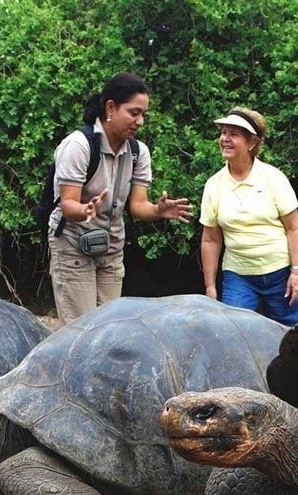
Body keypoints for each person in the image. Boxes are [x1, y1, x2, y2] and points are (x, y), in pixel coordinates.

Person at [48, 72, 193, 324]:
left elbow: (137, 206)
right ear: (111, 108)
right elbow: (68, 204)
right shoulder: (79, 145)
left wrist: (158, 211)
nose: (140, 122)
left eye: (143, 114)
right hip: (72, 245)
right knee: (79, 330)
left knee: (111, 328)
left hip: (111, 248)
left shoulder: (138, 152)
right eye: (134, 112)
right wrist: (85, 210)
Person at [199, 108, 298, 326]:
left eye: (234, 134)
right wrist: (210, 287)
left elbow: (294, 228)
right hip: (239, 275)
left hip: (280, 273)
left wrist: (296, 272)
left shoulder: (273, 178)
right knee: (235, 331)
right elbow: (211, 239)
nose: (225, 139)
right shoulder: (214, 184)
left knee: (290, 334)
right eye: (223, 133)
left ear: (251, 143)